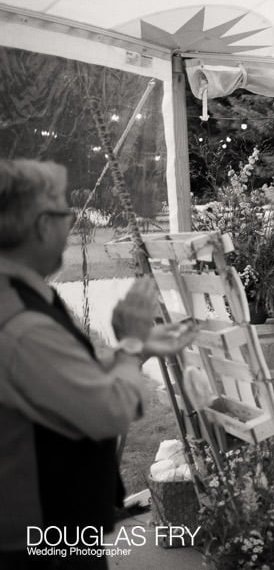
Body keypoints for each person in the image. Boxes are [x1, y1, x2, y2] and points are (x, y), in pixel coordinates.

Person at [0, 159, 197, 569]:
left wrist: (139, 349)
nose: (72, 222)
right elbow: (106, 411)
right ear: (40, 225)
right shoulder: (20, 322)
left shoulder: (21, 297)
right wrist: (128, 341)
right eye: (64, 212)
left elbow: (61, 386)